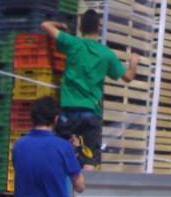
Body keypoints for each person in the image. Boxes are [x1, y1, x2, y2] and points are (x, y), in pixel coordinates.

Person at [41, 9, 138, 167]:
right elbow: (128, 77)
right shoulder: (106, 54)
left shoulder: (72, 43)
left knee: (60, 157)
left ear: (80, 27)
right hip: (90, 112)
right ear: (98, 28)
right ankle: (84, 189)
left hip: (67, 112)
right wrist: (133, 62)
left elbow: (45, 25)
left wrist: (61, 25)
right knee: (90, 159)